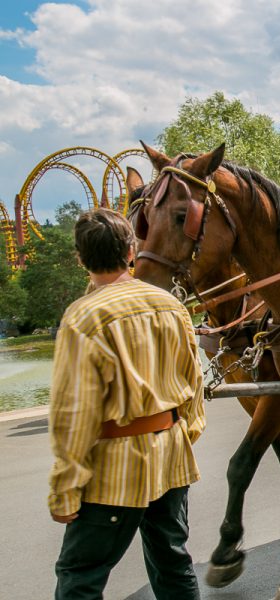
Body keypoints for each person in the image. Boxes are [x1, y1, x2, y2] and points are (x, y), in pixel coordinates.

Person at [48, 209, 206, 599]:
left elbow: (74, 413)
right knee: (172, 562)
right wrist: (184, 433)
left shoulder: (83, 318)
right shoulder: (171, 306)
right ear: (131, 252)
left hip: (112, 469)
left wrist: (66, 488)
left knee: (80, 576)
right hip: (171, 458)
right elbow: (194, 382)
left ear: (80, 259)